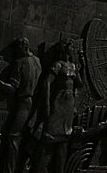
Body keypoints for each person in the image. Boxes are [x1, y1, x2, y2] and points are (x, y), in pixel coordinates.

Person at [0, 36, 41, 173]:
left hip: (22, 103)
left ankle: (9, 170)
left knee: (12, 136)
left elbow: (11, 88)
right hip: (32, 102)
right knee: (22, 136)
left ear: (22, 47)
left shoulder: (20, 62)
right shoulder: (37, 61)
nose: (14, 52)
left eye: (16, 49)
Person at [30, 38, 83, 173]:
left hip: (69, 105)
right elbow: (46, 83)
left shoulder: (73, 66)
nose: (73, 50)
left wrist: (82, 65)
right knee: (49, 137)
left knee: (64, 139)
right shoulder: (58, 65)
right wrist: (47, 103)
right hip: (58, 102)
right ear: (65, 49)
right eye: (71, 47)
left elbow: (80, 83)